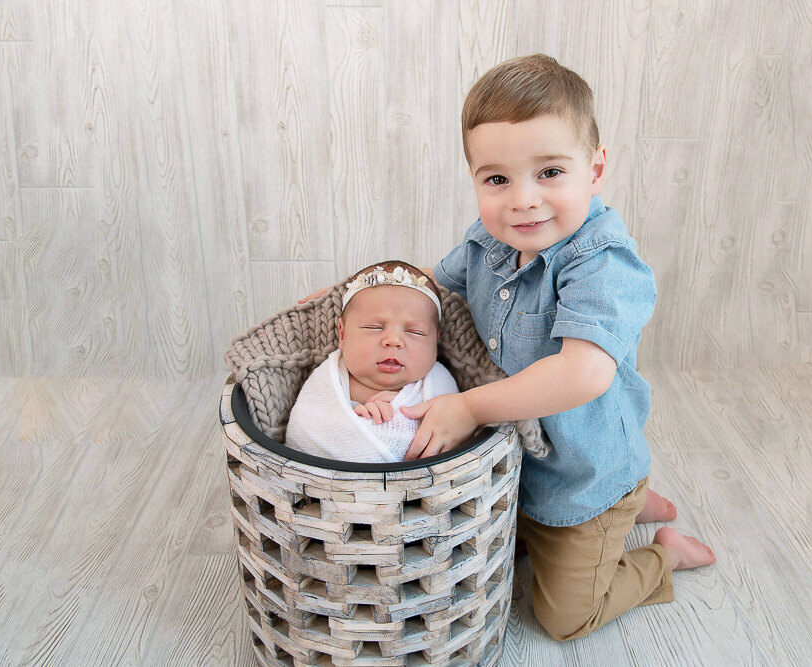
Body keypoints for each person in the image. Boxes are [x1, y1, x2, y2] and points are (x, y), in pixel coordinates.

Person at [300, 54, 715, 641]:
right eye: (498, 179)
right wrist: (357, 289)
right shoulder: (488, 245)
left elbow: (584, 373)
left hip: (581, 477)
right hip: (520, 466)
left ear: (595, 170)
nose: (522, 200)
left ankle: (659, 551)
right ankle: (635, 503)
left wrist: (469, 407)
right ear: (474, 179)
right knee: (461, 545)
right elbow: (434, 282)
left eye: (549, 172)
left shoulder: (602, 265)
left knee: (564, 616)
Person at [284, 261, 458, 463]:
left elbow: (450, 438)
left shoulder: (439, 384)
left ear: (435, 341)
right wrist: (361, 417)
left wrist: (399, 419)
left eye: (415, 332)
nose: (393, 340)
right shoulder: (327, 381)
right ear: (342, 334)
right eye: (374, 327)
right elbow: (306, 432)